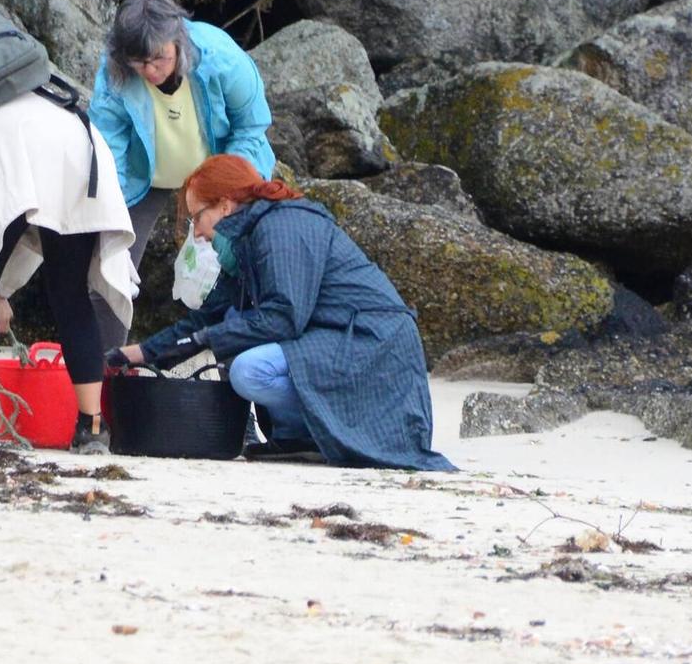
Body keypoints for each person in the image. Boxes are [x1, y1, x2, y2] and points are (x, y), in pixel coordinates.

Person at [109, 155, 455, 471]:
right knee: (235, 328)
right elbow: (208, 317)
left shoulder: (282, 227)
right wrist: (142, 353)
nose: (196, 232)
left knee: (249, 370)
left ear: (225, 205)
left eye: (197, 216)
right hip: (339, 335)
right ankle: (298, 438)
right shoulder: (247, 239)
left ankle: (312, 435)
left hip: (373, 343)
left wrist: (206, 339)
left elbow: (284, 319)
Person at [0, 72, 138, 453]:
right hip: (79, 146)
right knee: (71, 296)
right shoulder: (25, 78)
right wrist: (4, 291)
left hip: (12, 146)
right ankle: (93, 426)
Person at [88, 0, 275, 348]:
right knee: (108, 274)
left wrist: (224, 192)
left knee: (242, 271)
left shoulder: (220, 58)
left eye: (159, 58)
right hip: (145, 176)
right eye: (139, 62)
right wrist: (110, 226)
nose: (150, 70)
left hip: (220, 170)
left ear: (177, 40)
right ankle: (103, 372)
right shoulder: (115, 71)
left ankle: (237, 372)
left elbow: (252, 126)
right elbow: (108, 149)